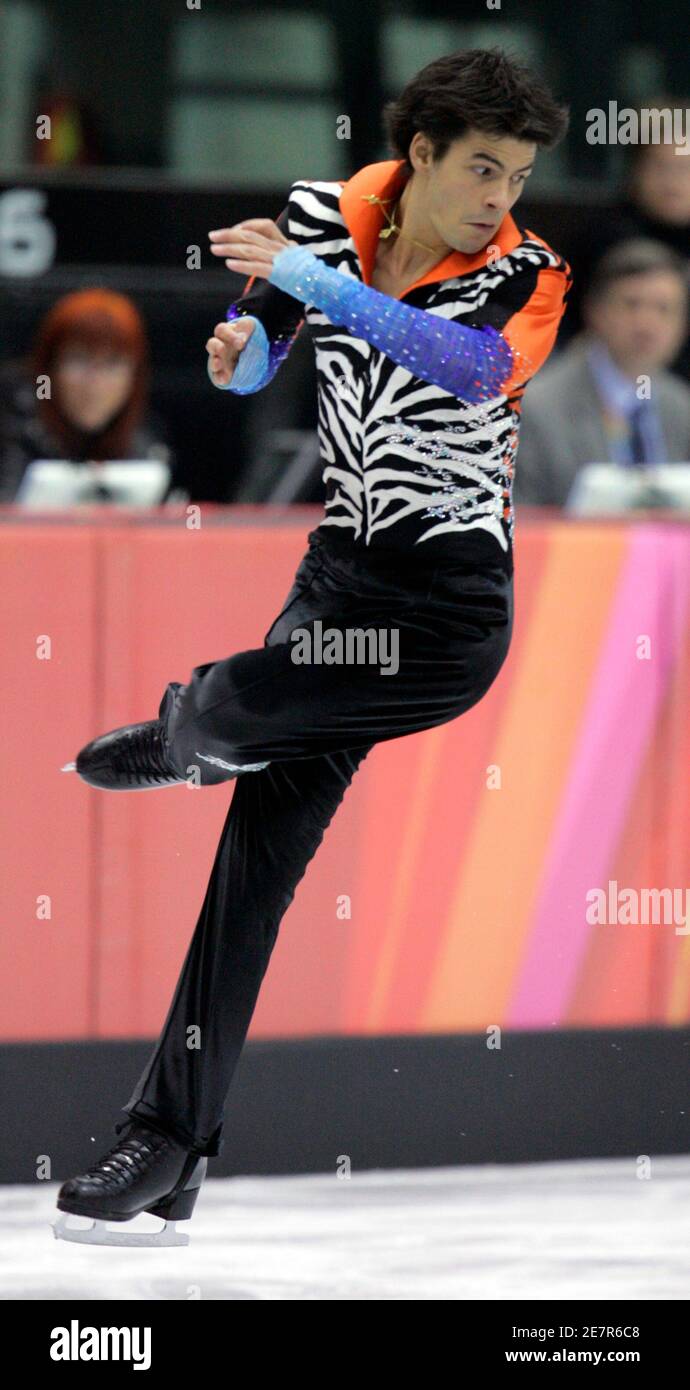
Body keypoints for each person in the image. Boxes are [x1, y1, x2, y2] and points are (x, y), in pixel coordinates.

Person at [53, 47, 572, 1246]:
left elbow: (470, 367)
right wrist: (243, 359)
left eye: (522, 172)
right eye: (482, 166)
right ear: (422, 154)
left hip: (443, 613)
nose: (503, 194)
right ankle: (167, 1145)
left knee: (244, 706)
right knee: (252, 880)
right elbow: (263, 344)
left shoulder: (527, 272)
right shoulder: (319, 220)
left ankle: (187, 730)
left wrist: (308, 290)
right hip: (339, 569)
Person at [514, 238, 690, 507]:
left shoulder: (681, 406)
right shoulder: (539, 406)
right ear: (595, 310)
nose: (647, 323)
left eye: (663, 309)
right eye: (631, 304)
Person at [0, 288, 173, 503]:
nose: (95, 383)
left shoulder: (145, 445)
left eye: (112, 364)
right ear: (48, 368)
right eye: (79, 360)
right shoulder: (11, 428)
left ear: (135, 377)